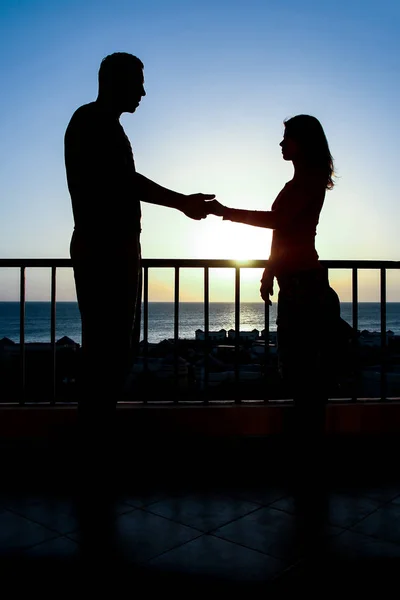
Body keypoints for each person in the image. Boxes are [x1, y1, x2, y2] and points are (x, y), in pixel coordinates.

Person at [64, 52, 214, 443]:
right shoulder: (93, 122)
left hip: (110, 248)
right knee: (107, 351)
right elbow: (126, 181)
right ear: (115, 81)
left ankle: (95, 438)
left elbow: (124, 180)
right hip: (106, 250)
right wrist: (183, 202)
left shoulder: (98, 124)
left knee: (111, 348)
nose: (144, 92)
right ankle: (93, 444)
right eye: (138, 82)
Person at [206, 114, 347, 480]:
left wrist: (227, 213)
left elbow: (278, 223)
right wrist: (270, 271)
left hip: (304, 289)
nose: (281, 144)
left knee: (305, 378)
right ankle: (309, 459)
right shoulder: (300, 182)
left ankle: (309, 460)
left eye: (287, 138)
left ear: (303, 142)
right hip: (297, 285)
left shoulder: (309, 181)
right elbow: (284, 235)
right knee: (302, 376)